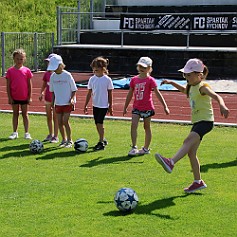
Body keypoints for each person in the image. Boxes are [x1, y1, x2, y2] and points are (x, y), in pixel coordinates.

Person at [155, 58, 230, 193]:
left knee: (187, 141)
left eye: (189, 75)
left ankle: (171, 162)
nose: (186, 77)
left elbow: (217, 96)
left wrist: (222, 105)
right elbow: (185, 90)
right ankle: (198, 182)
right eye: (185, 74)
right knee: (191, 153)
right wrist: (172, 82)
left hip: (205, 122)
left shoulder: (203, 87)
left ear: (199, 75)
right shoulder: (191, 86)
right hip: (197, 122)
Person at [123, 57, 170, 156]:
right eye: (140, 66)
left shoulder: (150, 80)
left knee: (146, 127)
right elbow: (130, 94)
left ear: (149, 68)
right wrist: (125, 106)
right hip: (136, 107)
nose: (141, 69)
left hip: (147, 108)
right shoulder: (134, 80)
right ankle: (134, 146)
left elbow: (157, 93)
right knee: (133, 125)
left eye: (144, 67)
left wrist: (165, 106)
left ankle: (146, 148)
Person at [84, 56, 114, 151]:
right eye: (93, 67)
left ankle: (101, 141)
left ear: (103, 68)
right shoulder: (92, 79)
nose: (95, 69)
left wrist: (110, 106)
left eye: (97, 67)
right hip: (95, 104)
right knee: (97, 123)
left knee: (100, 123)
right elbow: (89, 92)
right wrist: (85, 104)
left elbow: (110, 93)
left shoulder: (107, 80)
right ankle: (102, 138)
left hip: (103, 105)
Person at [47, 54, 77, 148]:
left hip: (67, 103)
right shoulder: (53, 77)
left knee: (65, 121)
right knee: (59, 122)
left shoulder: (67, 75)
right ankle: (63, 140)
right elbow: (53, 91)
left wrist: (72, 99)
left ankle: (70, 140)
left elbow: (74, 89)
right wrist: (52, 102)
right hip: (58, 103)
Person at [5, 48, 33, 140]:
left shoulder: (27, 71)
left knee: (25, 114)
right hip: (14, 96)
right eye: (17, 59)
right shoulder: (10, 71)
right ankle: (14, 132)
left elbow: (29, 85)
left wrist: (29, 97)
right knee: (15, 114)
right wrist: (10, 97)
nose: (19, 61)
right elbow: (8, 85)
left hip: (24, 96)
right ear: (14, 59)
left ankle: (27, 132)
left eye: (21, 59)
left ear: (24, 59)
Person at [39, 53, 59, 143]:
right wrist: (41, 93)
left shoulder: (58, 74)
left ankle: (56, 135)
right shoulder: (46, 74)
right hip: (48, 97)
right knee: (48, 117)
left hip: (56, 99)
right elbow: (44, 84)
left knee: (55, 117)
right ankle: (50, 134)